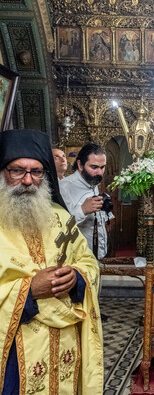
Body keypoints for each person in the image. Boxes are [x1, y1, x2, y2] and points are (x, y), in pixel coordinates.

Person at [0, 129, 103, 394]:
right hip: (14, 345)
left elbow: (88, 261)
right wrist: (29, 290)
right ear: (3, 171)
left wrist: (77, 276)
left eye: (36, 172)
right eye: (17, 171)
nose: (27, 180)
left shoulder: (59, 216)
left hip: (66, 341)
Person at [59, 143, 110, 260]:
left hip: (96, 253)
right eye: (94, 167)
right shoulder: (65, 188)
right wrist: (82, 210)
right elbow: (59, 226)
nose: (99, 173)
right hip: (77, 257)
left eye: (102, 167)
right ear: (80, 165)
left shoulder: (92, 182)